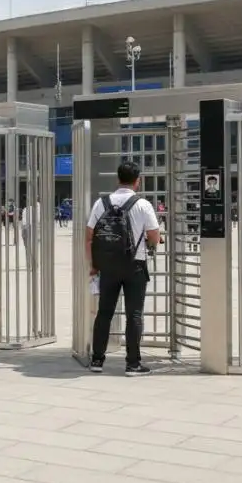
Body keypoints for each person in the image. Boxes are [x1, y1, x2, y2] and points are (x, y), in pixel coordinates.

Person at [85, 161, 161, 376]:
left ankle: (97, 360)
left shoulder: (102, 203)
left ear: (118, 179)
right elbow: (154, 236)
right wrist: (152, 243)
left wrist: (93, 265)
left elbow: (89, 236)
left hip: (108, 266)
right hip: (135, 265)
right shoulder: (143, 205)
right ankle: (133, 364)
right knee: (134, 315)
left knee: (104, 313)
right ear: (138, 181)